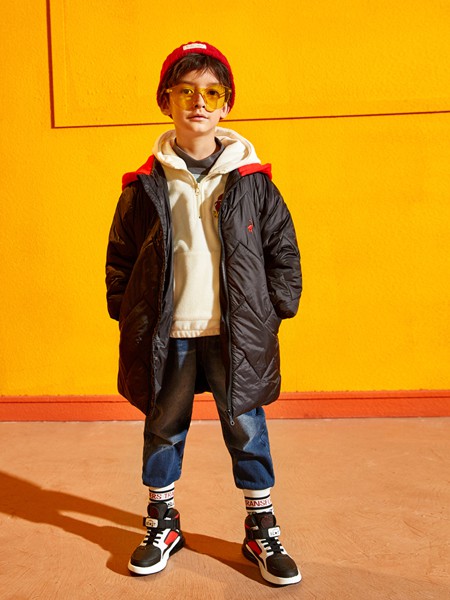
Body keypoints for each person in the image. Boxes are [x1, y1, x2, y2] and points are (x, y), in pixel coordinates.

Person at [105, 41, 302, 586]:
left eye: (212, 93)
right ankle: (162, 521)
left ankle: (261, 527)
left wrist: (275, 308)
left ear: (227, 104)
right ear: (165, 100)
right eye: (186, 91)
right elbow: (121, 256)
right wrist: (127, 311)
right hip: (169, 334)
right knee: (164, 427)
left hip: (235, 335)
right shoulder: (144, 184)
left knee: (247, 430)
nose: (199, 102)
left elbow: (282, 250)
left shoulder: (253, 180)